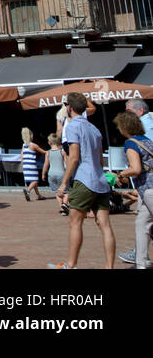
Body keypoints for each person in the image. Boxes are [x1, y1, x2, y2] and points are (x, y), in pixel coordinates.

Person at [52, 92, 115, 269]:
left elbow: (73, 157)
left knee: (75, 222)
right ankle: (109, 266)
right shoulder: (94, 129)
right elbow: (101, 159)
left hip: (83, 179)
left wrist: (64, 183)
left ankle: (71, 264)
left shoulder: (72, 126)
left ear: (69, 107)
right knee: (105, 225)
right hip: (100, 180)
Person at [113, 111, 153, 269]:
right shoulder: (148, 141)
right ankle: (141, 262)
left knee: (143, 224)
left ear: (124, 127)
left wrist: (120, 174)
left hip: (149, 188)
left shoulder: (131, 143)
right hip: (146, 191)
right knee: (142, 223)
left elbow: (135, 169)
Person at [21, 127, 47, 201]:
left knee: (33, 181)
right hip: (32, 164)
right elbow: (43, 152)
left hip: (25, 165)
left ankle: (39, 195)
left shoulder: (23, 145)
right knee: (35, 180)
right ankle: (28, 191)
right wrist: (51, 151)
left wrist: (23, 164)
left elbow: (21, 156)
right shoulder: (33, 145)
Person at [45, 132, 66, 207]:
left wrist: (43, 174)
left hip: (51, 174)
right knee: (66, 191)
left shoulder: (48, 152)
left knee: (57, 192)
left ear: (49, 142)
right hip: (62, 174)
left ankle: (61, 207)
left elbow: (46, 164)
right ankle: (65, 203)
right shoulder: (62, 152)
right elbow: (67, 163)